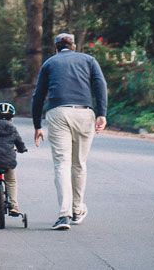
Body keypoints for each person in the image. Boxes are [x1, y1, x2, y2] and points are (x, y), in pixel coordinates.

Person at [32, 32, 108, 231]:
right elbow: (100, 85)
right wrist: (102, 113)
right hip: (84, 113)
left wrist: (37, 125)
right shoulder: (89, 60)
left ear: (56, 47)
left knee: (61, 164)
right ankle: (77, 209)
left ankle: (64, 215)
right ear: (73, 46)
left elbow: (38, 95)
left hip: (58, 113)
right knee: (79, 163)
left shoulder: (50, 63)